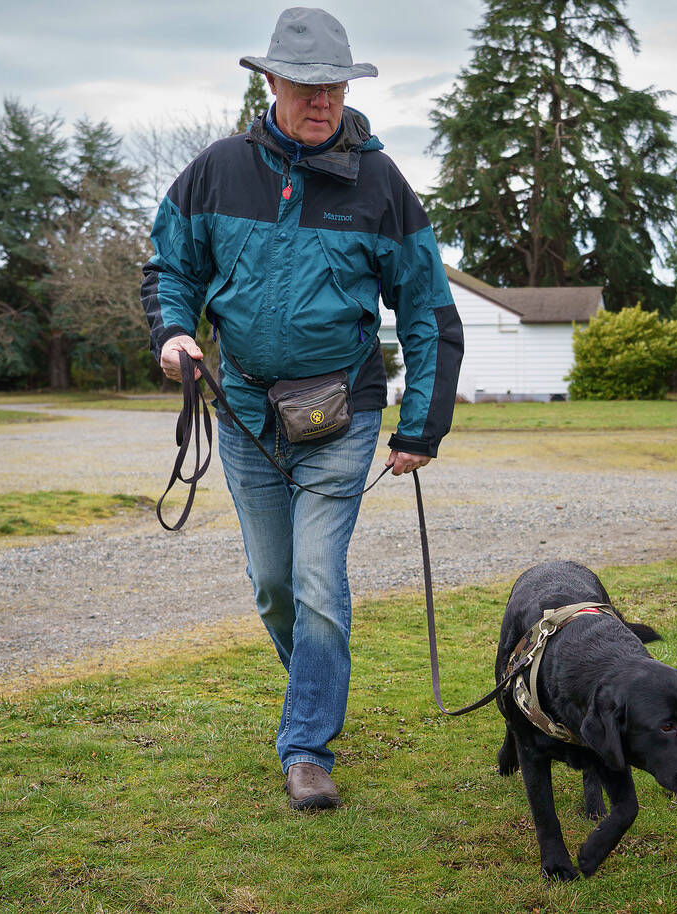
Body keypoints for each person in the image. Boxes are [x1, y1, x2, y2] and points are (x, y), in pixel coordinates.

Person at [141, 7, 463, 811]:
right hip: (246, 412)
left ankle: (307, 745)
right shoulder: (217, 169)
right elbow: (169, 266)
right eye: (305, 84)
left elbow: (428, 313)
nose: (322, 101)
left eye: (335, 86)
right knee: (275, 584)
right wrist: (175, 332)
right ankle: (314, 693)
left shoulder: (382, 186)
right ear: (271, 81)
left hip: (340, 414)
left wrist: (422, 425)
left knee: (319, 580)